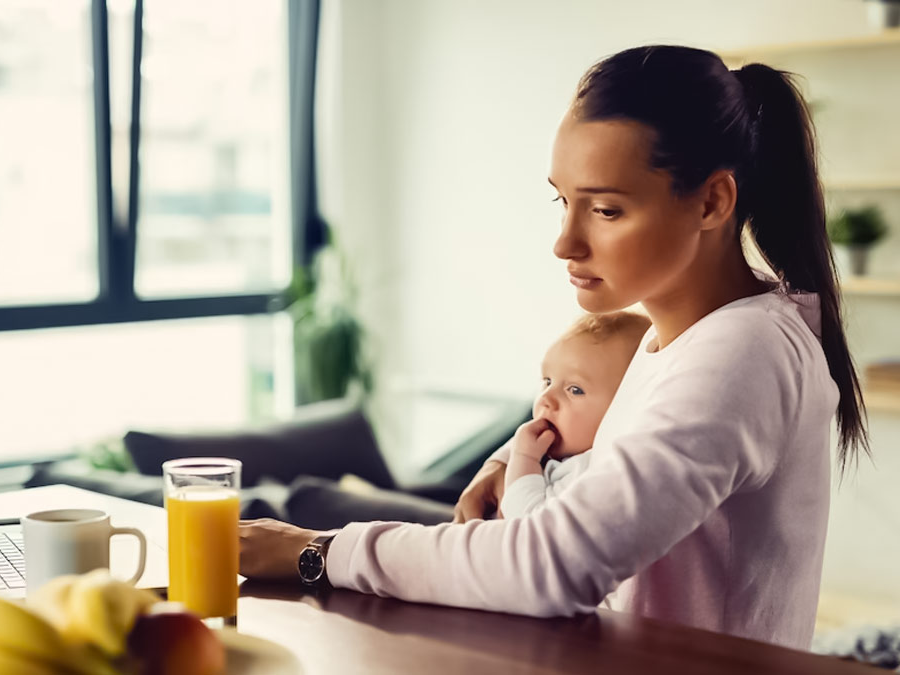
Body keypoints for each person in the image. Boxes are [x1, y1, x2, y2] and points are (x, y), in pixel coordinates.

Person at [239, 45, 869, 651]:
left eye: (607, 210)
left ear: (711, 201)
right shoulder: (681, 335)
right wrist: (508, 461)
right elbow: (632, 463)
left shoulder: (745, 351)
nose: (564, 242)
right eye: (563, 201)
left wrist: (322, 551)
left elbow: (555, 564)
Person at [499, 311, 651, 522]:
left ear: (624, 408)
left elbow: (531, 525)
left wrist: (524, 458)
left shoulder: (590, 471)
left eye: (575, 390)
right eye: (547, 381)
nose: (546, 398)